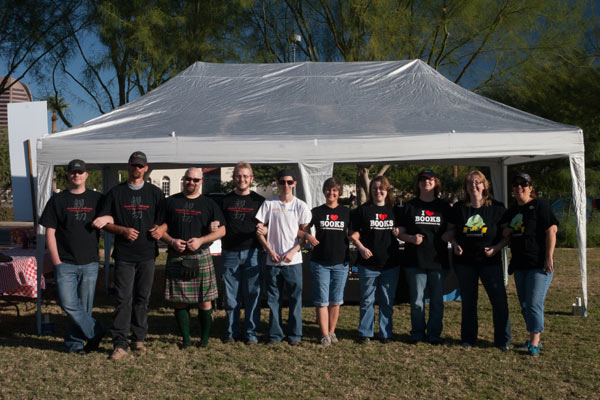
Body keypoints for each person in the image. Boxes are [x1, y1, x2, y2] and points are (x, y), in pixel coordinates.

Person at [92, 151, 165, 360]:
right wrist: (122, 230)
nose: (137, 169)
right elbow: (104, 222)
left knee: (142, 298)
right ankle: (119, 343)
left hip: (148, 254)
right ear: (128, 167)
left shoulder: (155, 193)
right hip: (124, 254)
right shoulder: (116, 193)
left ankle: (139, 338)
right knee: (123, 298)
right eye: (133, 165)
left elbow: (164, 220)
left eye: (140, 166)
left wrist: (161, 229)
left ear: (146, 168)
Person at [40, 159, 107, 354]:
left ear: (86, 174)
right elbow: (50, 232)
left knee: (84, 308)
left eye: (80, 172)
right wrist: (56, 262)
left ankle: (75, 344)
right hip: (65, 262)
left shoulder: (98, 199)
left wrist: (107, 218)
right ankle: (97, 331)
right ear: (68, 175)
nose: (76, 175)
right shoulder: (58, 200)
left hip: (90, 262)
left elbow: (112, 217)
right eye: (72, 172)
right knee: (68, 303)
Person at [442, 170, 511, 351]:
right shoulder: (459, 208)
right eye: (470, 183)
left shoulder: (497, 208)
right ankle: (468, 338)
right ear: (465, 187)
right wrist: (454, 243)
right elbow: (449, 232)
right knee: (469, 302)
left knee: (499, 301)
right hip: (465, 263)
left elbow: (507, 236)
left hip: (490, 262)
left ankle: (502, 340)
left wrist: (496, 248)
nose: (474, 185)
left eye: (477, 182)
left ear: (484, 185)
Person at [158, 167, 226, 348]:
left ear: (201, 181)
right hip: (176, 255)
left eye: (196, 180)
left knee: (205, 301)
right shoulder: (171, 202)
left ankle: (204, 340)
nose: (192, 183)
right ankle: (186, 340)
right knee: (179, 302)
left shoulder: (209, 204)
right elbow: (158, 229)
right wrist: (171, 241)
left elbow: (222, 230)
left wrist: (202, 240)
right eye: (189, 179)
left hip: (200, 255)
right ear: (183, 179)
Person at [501, 172, 558, 357]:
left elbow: (552, 229)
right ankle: (534, 335)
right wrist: (506, 230)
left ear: (530, 188)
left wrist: (549, 257)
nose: (519, 188)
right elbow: (503, 228)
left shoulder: (539, 205)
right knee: (525, 305)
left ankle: (535, 342)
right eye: (516, 185)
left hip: (539, 265)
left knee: (534, 303)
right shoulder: (512, 211)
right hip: (520, 265)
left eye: (523, 184)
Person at [256, 168, 311, 346]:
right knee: (273, 300)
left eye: (289, 182)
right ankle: (275, 335)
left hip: (293, 261)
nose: (285, 185)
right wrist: (269, 251)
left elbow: (305, 235)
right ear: (277, 183)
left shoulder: (301, 206)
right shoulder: (269, 204)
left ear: (294, 183)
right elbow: (259, 231)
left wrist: (293, 251)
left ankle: (295, 335)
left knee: (295, 299)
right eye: (282, 182)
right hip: (272, 261)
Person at [212, 162, 264, 345]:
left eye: (245, 176)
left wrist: (265, 229)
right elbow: (218, 224)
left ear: (251, 179)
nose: (242, 179)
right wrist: (213, 225)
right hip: (230, 253)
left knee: (252, 295)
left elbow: (269, 225)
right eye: (238, 176)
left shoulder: (259, 201)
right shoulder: (224, 201)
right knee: (230, 295)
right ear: (234, 178)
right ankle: (231, 331)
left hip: (254, 252)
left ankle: (251, 333)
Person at [396, 169, 451, 344]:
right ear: (418, 183)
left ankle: (434, 334)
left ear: (436, 183)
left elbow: (452, 228)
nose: (426, 182)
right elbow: (399, 232)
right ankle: (418, 333)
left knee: (436, 302)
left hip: (438, 260)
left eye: (430, 179)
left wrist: (448, 236)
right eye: (422, 179)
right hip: (415, 261)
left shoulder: (444, 206)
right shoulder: (410, 206)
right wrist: (410, 238)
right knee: (417, 301)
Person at [349, 176, 400, 344]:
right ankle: (365, 333)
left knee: (386, 301)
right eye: (374, 188)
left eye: (381, 188)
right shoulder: (363, 210)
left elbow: (402, 231)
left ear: (387, 190)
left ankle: (385, 333)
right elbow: (353, 234)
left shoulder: (395, 210)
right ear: (370, 190)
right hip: (368, 265)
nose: (378, 191)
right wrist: (360, 247)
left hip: (390, 263)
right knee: (367, 300)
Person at [303, 177, 350, 347]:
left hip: (341, 262)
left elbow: (353, 233)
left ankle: (331, 332)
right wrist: (307, 235)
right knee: (322, 300)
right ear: (324, 191)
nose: (331, 193)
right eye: (329, 190)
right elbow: (302, 229)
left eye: (335, 190)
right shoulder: (316, 211)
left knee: (336, 300)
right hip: (320, 261)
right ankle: (324, 335)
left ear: (339, 192)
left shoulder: (346, 212)